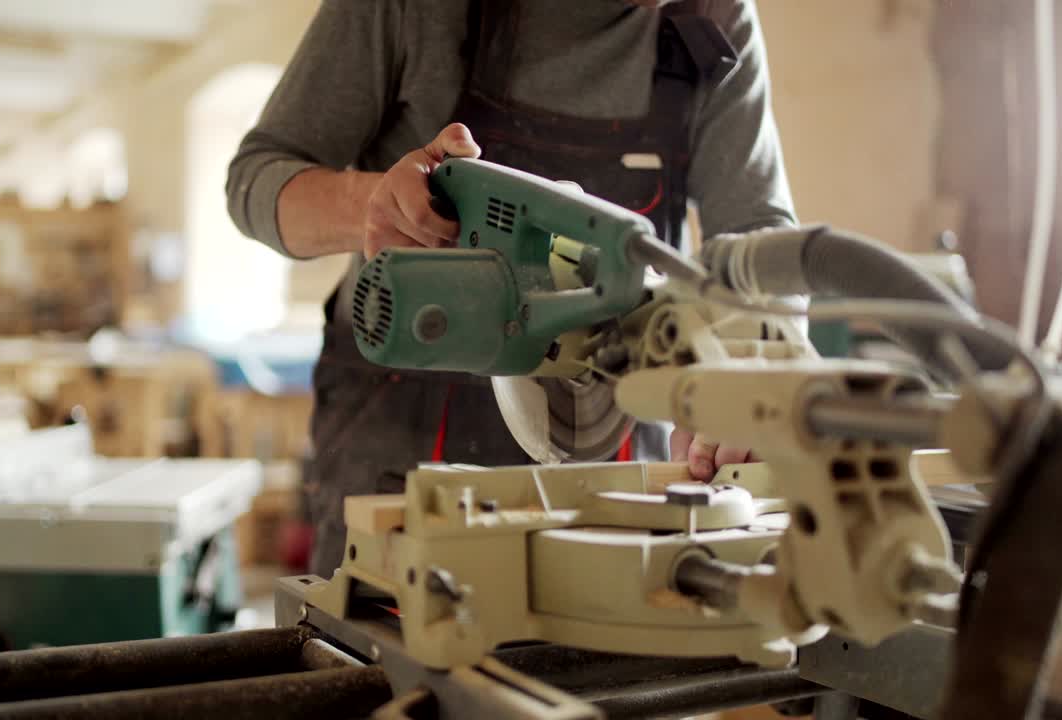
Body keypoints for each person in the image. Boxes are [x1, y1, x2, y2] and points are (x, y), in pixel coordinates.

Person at [228, 0, 796, 576]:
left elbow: (760, 238)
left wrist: (753, 370)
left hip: (619, 459)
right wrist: (375, 207)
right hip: (401, 451)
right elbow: (255, 177)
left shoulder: (714, 16)